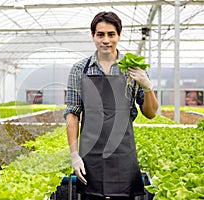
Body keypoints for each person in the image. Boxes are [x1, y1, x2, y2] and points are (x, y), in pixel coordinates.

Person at [64, 11, 159, 200]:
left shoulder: (133, 68)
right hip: (91, 155)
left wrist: (148, 87)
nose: (105, 40)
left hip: (123, 154)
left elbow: (151, 113)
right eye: (100, 34)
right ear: (93, 36)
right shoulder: (79, 69)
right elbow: (72, 114)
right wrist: (74, 155)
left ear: (119, 35)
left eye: (111, 34)